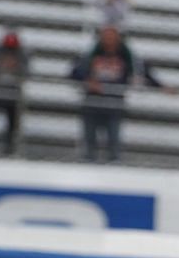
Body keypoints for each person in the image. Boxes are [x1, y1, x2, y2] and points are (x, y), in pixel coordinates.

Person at [68, 26, 168, 162]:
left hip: (114, 103)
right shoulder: (90, 55)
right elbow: (74, 73)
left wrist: (161, 86)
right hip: (92, 101)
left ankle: (113, 163)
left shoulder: (127, 56)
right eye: (106, 37)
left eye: (112, 37)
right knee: (89, 138)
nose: (109, 40)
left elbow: (144, 72)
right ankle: (88, 161)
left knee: (114, 138)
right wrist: (88, 81)